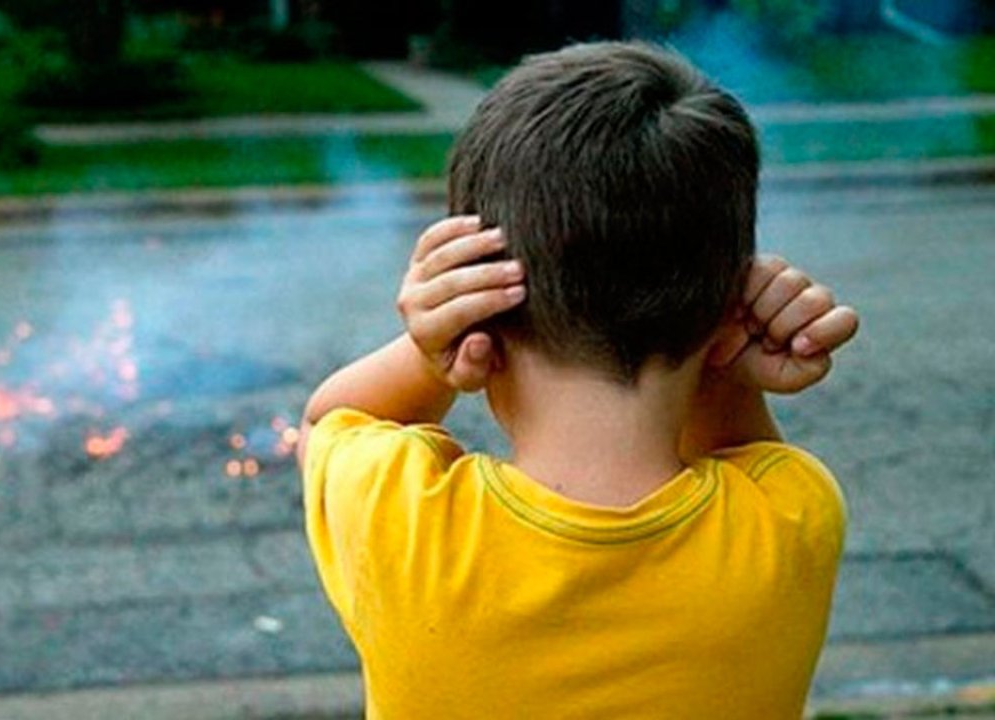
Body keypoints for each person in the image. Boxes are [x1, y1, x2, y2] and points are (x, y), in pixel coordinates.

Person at [296, 41, 859, 719]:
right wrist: (726, 363)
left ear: (483, 313)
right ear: (724, 308)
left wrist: (426, 353)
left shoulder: (400, 521)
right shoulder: (794, 517)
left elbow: (329, 422)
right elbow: (741, 460)